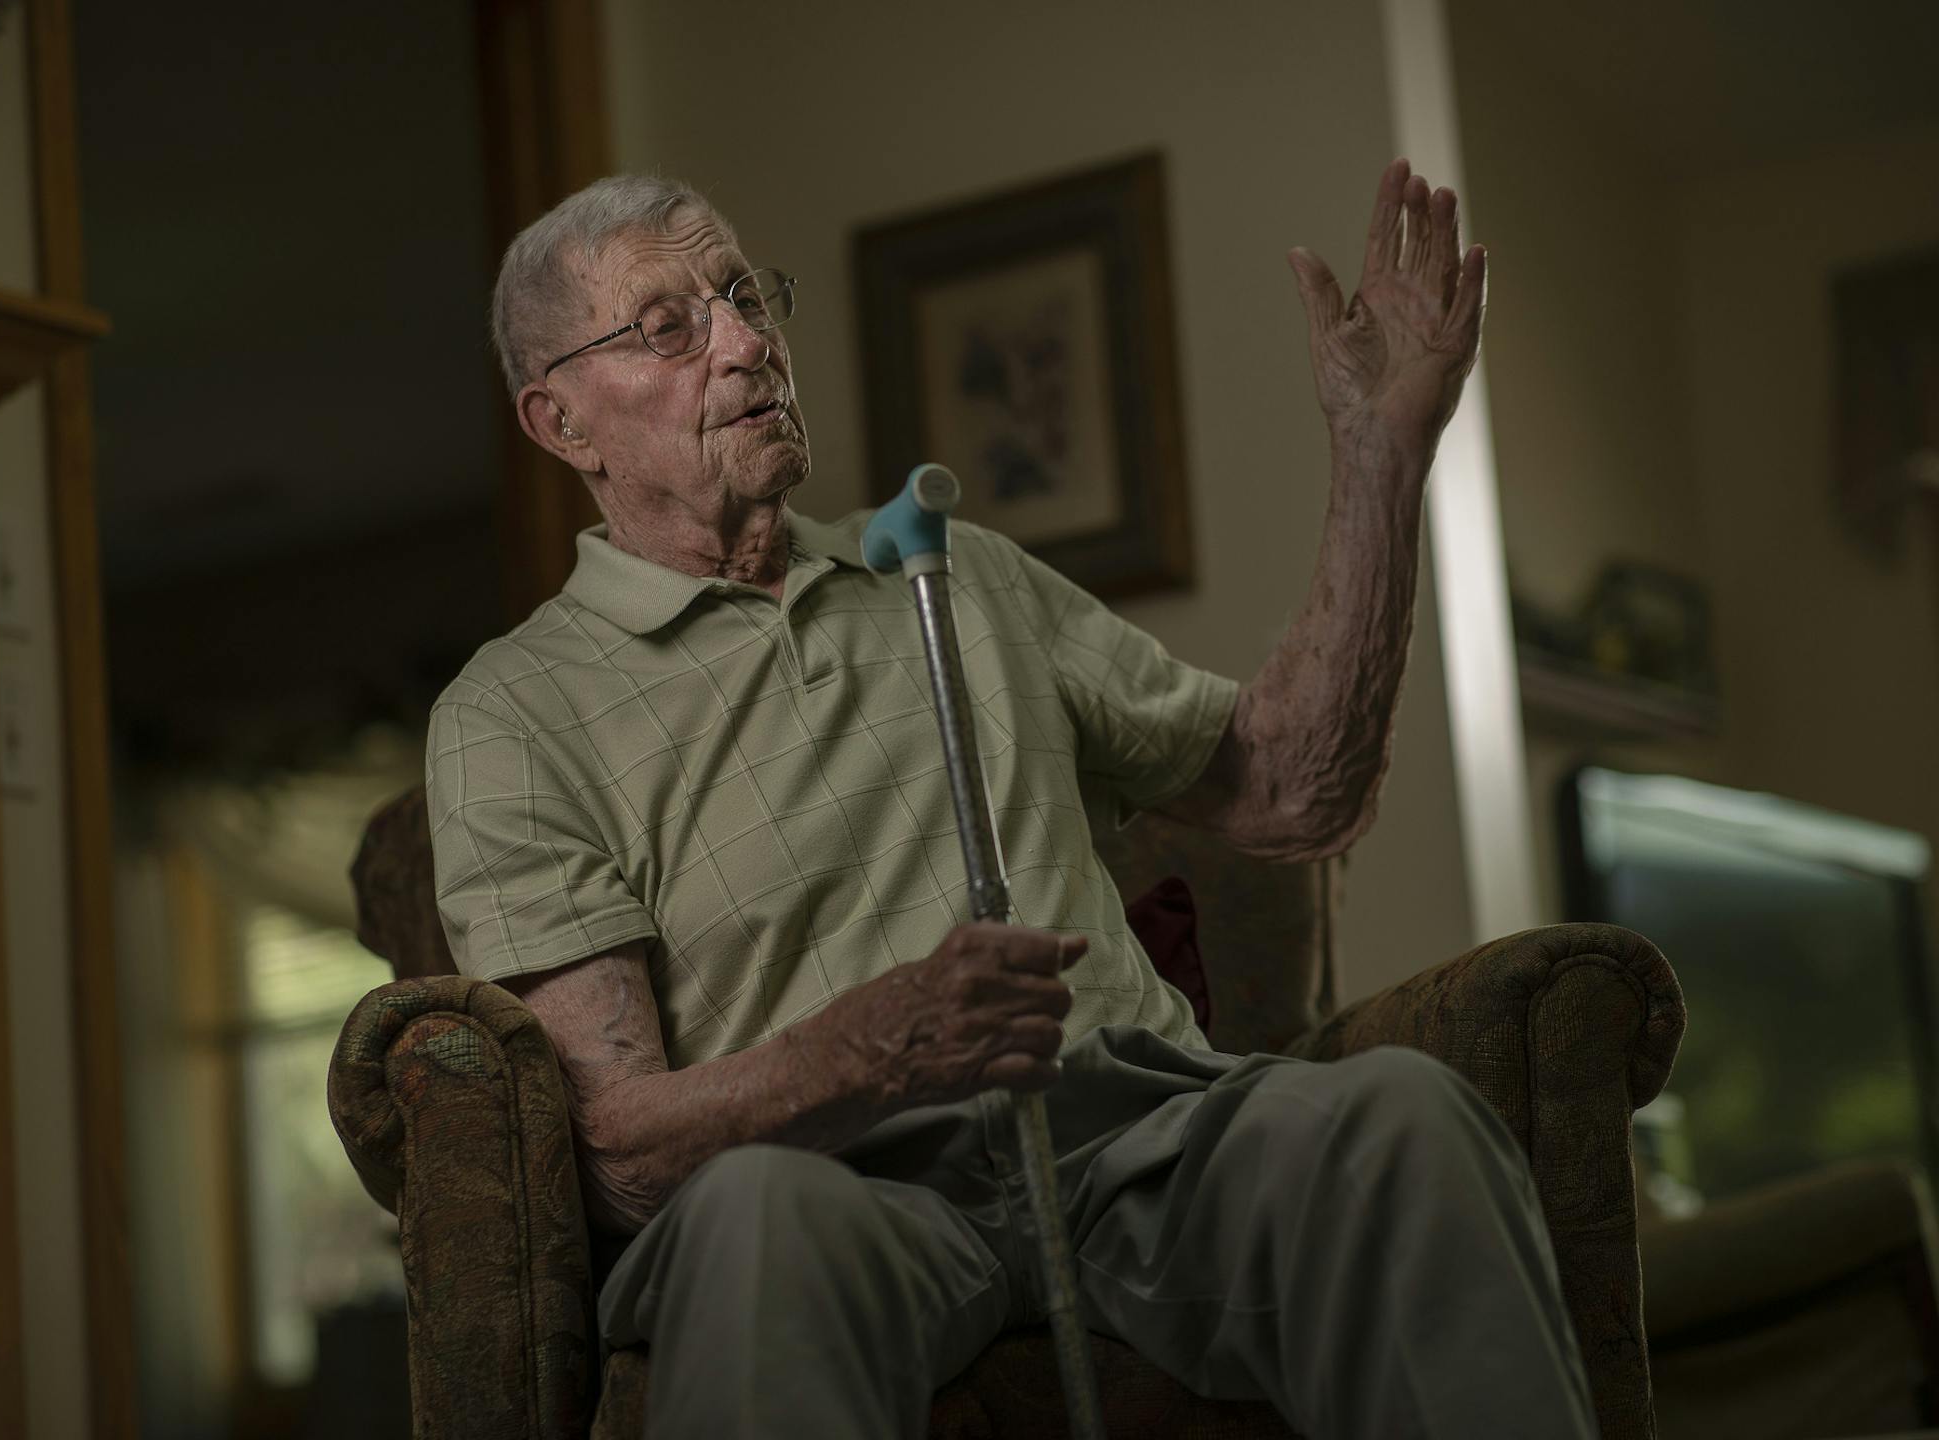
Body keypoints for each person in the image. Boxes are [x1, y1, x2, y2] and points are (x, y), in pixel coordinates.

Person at [426, 162, 1596, 1440]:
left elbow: (1290, 791)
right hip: (836, 1187)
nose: (750, 343)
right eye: (669, 325)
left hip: (1135, 1134)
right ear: (561, 422)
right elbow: (621, 1151)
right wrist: (866, 1050)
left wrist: (1382, 457)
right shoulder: (516, 714)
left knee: (1402, 1119)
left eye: (746, 295)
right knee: (756, 1230)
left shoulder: (956, 569)